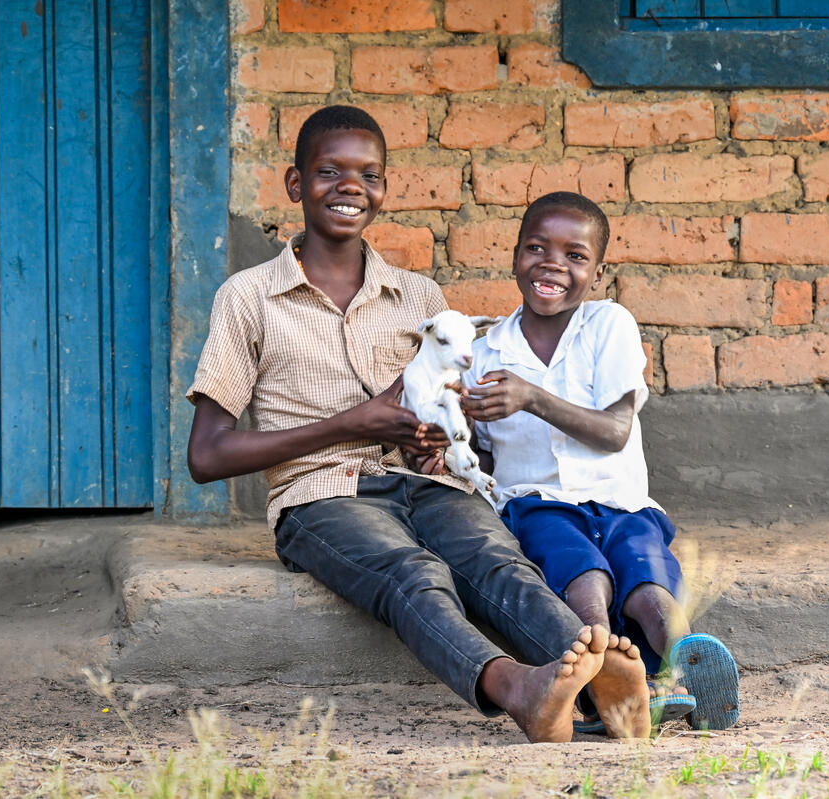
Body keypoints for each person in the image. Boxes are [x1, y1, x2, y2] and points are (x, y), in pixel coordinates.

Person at [186, 107, 650, 742]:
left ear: (383, 188)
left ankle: (602, 679)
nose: (350, 187)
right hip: (319, 493)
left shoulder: (420, 299)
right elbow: (206, 456)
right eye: (329, 172)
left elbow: (441, 414)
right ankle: (518, 688)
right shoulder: (248, 297)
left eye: (368, 174)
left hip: (423, 485)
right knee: (414, 573)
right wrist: (349, 423)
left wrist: (435, 442)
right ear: (296, 185)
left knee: (498, 561)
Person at [460, 191, 741, 732]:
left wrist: (531, 397)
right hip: (537, 505)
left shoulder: (608, 324)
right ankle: (608, 676)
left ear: (599, 270)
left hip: (622, 501)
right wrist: (457, 432)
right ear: (515, 254)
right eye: (536, 248)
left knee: (648, 582)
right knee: (583, 576)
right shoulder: (485, 353)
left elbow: (614, 432)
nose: (553, 265)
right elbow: (483, 457)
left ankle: (687, 669)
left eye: (575, 256)